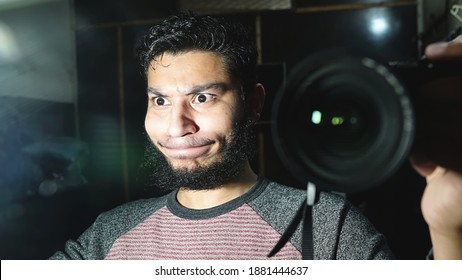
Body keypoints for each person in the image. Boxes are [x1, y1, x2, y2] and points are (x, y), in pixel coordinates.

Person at [50, 13, 462, 260]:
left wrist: (448, 229)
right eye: (159, 101)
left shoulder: (328, 228)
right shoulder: (108, 237)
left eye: (203, 97)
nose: (176, 126)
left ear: (254, 103)